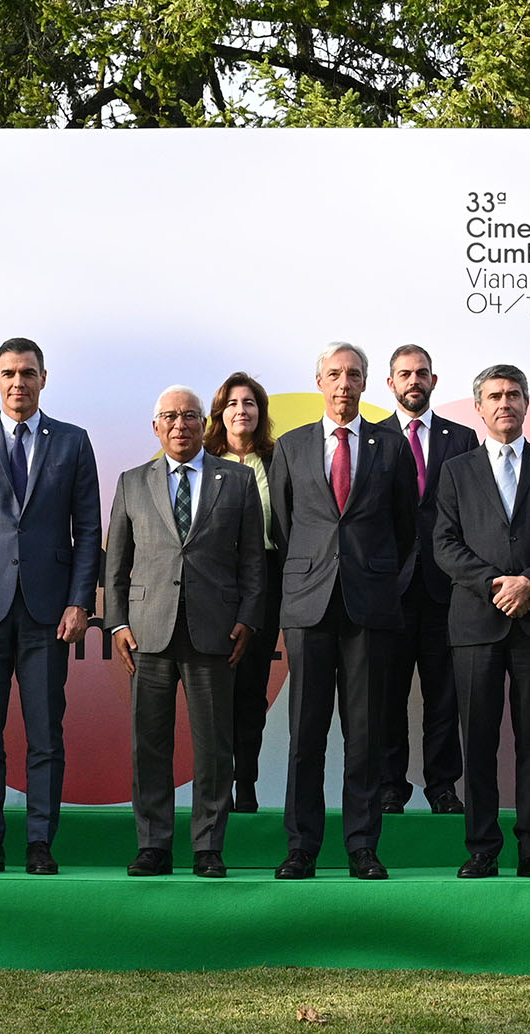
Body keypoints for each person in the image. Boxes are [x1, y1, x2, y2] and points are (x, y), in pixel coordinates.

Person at [0, 338, 101, 875]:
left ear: (44, 378)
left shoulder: (73, 442)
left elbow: (89, 529)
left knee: (45, 732)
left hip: (49, 613)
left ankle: (39, 843)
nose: (18, 383)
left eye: (27, 373)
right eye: (8, 373)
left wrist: (80, 603)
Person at [269, 341, 417, 881]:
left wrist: (374, 575)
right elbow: (284, 528)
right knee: (306, 734)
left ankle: (362, 846)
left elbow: (406, 527)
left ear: (365, 383)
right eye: (334, 374)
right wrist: (314, 572)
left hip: (369, 607)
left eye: (353, 375)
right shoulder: (290, 446)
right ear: (319, 381)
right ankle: (301, 847)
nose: (343, 384)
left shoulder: (391, 446)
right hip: (309, 605)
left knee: (365, 733)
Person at [105, 386, 266, 878]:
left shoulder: (236, 480)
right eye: (170, 417)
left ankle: (208, 848)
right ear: (156, 426)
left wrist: (248, 617)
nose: (180, 424)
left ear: (205, 423)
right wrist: (117, 622)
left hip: (214, 632)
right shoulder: (132, 482)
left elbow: (253, 562)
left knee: (215, 746)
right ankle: (153, 845)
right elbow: (116, 564)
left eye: (190, 416)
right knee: (148, 744)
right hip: (148, 633)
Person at [432, 365, 530, 881]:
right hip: (476, 622)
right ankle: (482, 849)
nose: (504, 403)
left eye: (513, 395)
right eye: (494, 396)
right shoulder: (456, 469)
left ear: (526, 403)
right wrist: (498, 584)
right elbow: (444, 543)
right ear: (478, 407)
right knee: (479, 739)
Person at [371, 344, 478, 816]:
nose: (413, 381)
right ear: (390, 383)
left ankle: (442, 787)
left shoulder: (464, 438)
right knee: (388, 695)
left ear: (434, 380)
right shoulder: (370, 439)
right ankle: (391, 785)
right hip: (386, 588)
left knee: (444, 696)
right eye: (404, 374)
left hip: (446, 587)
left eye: (421, 373)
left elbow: (475, 515)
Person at [203, 371, 280, 814]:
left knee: (251, 688)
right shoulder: (202, 459)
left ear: (259, 412)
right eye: (232, 403)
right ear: (220, 412)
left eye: (249, 403)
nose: (241, 410)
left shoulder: (278, 458)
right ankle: (218, 788)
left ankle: (245, 784)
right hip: (213, 583)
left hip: (265, 581)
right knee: (214, 689)